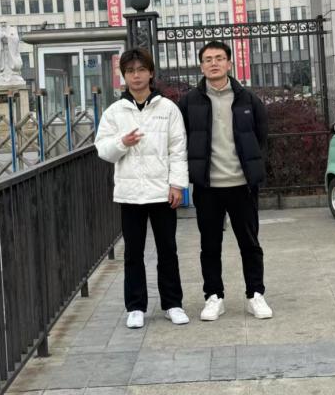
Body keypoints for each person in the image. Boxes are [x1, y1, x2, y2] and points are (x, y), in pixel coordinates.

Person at [95, 47, 190, 329]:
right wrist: (122, 143)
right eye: (130, 71)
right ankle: (135, 307)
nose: (136, 76)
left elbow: (178, 150)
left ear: (150, 73)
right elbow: (103, 150)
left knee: (167, 250)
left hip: (162, 192)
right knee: (133, 253)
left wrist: (177, 185)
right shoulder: (115, 112)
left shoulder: (168, 109)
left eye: (141, 70)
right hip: (130, 194)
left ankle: (172, 304)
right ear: (123, 76)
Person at [178, 40, 273, 321]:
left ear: (230, 63)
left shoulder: (248, 99)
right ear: (201, 66)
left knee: (250, 244)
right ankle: (213, 296)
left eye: (219, 58)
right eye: (208, 59)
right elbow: (180, 140)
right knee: (209, 246)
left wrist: (253, 170)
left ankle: (255, 295)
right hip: (208, 187)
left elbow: (262, 137)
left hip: (242, 185)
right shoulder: (189, 102)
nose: (214, 63)